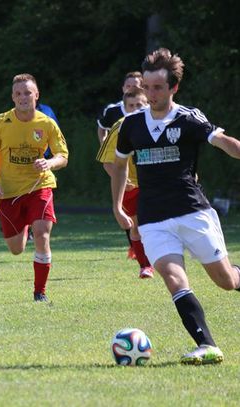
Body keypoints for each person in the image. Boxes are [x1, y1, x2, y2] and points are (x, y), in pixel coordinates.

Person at [110, 47, 240, 365]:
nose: (150, 94)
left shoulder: (188, 118)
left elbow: (222, 141)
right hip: (153, 218)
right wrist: (116, 205)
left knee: (226, 281)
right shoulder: (130, 126)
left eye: (158, 88)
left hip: (193, 212)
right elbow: (119, 165)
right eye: (147, 87)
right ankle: (207, 345)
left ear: (173, 88)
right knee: (172, 277)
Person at [0, 73, 69, 302]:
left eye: (28, 92)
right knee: (16, 248)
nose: (23, 97)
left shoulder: (47, 123)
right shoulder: (0, 122)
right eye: (18, 93)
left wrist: (49, 162)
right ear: (12, 97)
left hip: (40, 186)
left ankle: (40, 292)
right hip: (9, 191)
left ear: (36, 95)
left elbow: (63, 156)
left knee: (42, 234)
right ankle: (23, 228)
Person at [96, 87, 154, 279]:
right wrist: (122, 179)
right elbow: (107, 163)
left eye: (140, 104)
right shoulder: (119, 127)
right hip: (132, 186)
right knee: (137, 226)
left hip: (155, 184)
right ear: (125, 108)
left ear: (147, 104)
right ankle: (145, 265)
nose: (136, 108)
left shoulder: (158, 123)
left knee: (156, 225)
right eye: (131, 106)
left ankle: (157, 259)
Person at [97, 71, 142, 145]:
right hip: (120, 155)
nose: (130, 89)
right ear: (123, 88)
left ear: (143, 88)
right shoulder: (112, 110)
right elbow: (102, 127)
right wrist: (104, 146)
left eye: (135, 87)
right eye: (128, 86)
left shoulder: (151, 109)